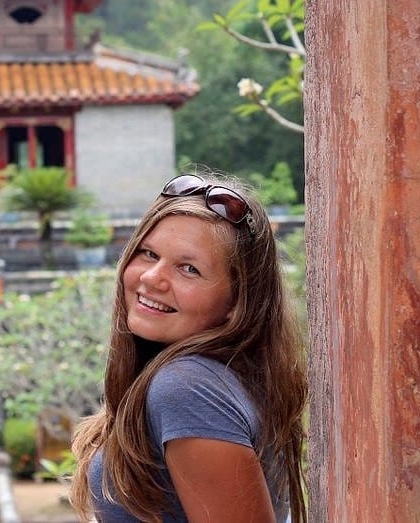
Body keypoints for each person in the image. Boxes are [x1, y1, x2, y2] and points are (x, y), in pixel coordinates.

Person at [69, 172, 307, 523]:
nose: (152, 278)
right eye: (148, 253)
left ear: (237, 301)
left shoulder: (188, 388)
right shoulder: (221, 378)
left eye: (189, 269)